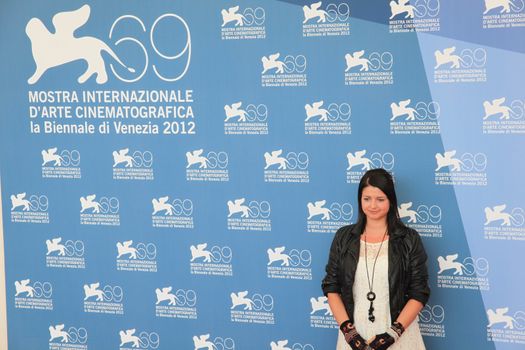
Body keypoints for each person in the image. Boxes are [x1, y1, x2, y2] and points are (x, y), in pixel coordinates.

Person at [322, 168, 430, 350]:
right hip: (355, 336)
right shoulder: (343, 237)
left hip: (400, 336)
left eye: (380, 199)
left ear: (391, 201)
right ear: (359, 200)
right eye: (367, 199)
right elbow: (331, 286)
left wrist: (392, 334)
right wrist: (349, 333)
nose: (373, 205)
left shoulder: (409, 239)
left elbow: (419, 292)